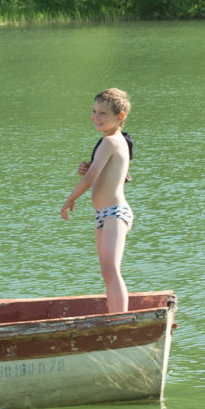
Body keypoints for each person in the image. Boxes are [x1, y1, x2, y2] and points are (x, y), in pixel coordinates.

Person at [60, 88, 133, 313]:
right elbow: (103, 172)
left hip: (115, 212)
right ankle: (114, 315)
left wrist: (70, 199)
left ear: (119, 117)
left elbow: (91, 179)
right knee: (105, 271)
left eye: (103, 113)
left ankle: (120, 319)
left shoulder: (111, 141)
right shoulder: (109, 141)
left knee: (111, 269)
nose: (96, 117)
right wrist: (91, 167)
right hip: (103, 214)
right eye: (94, 111)